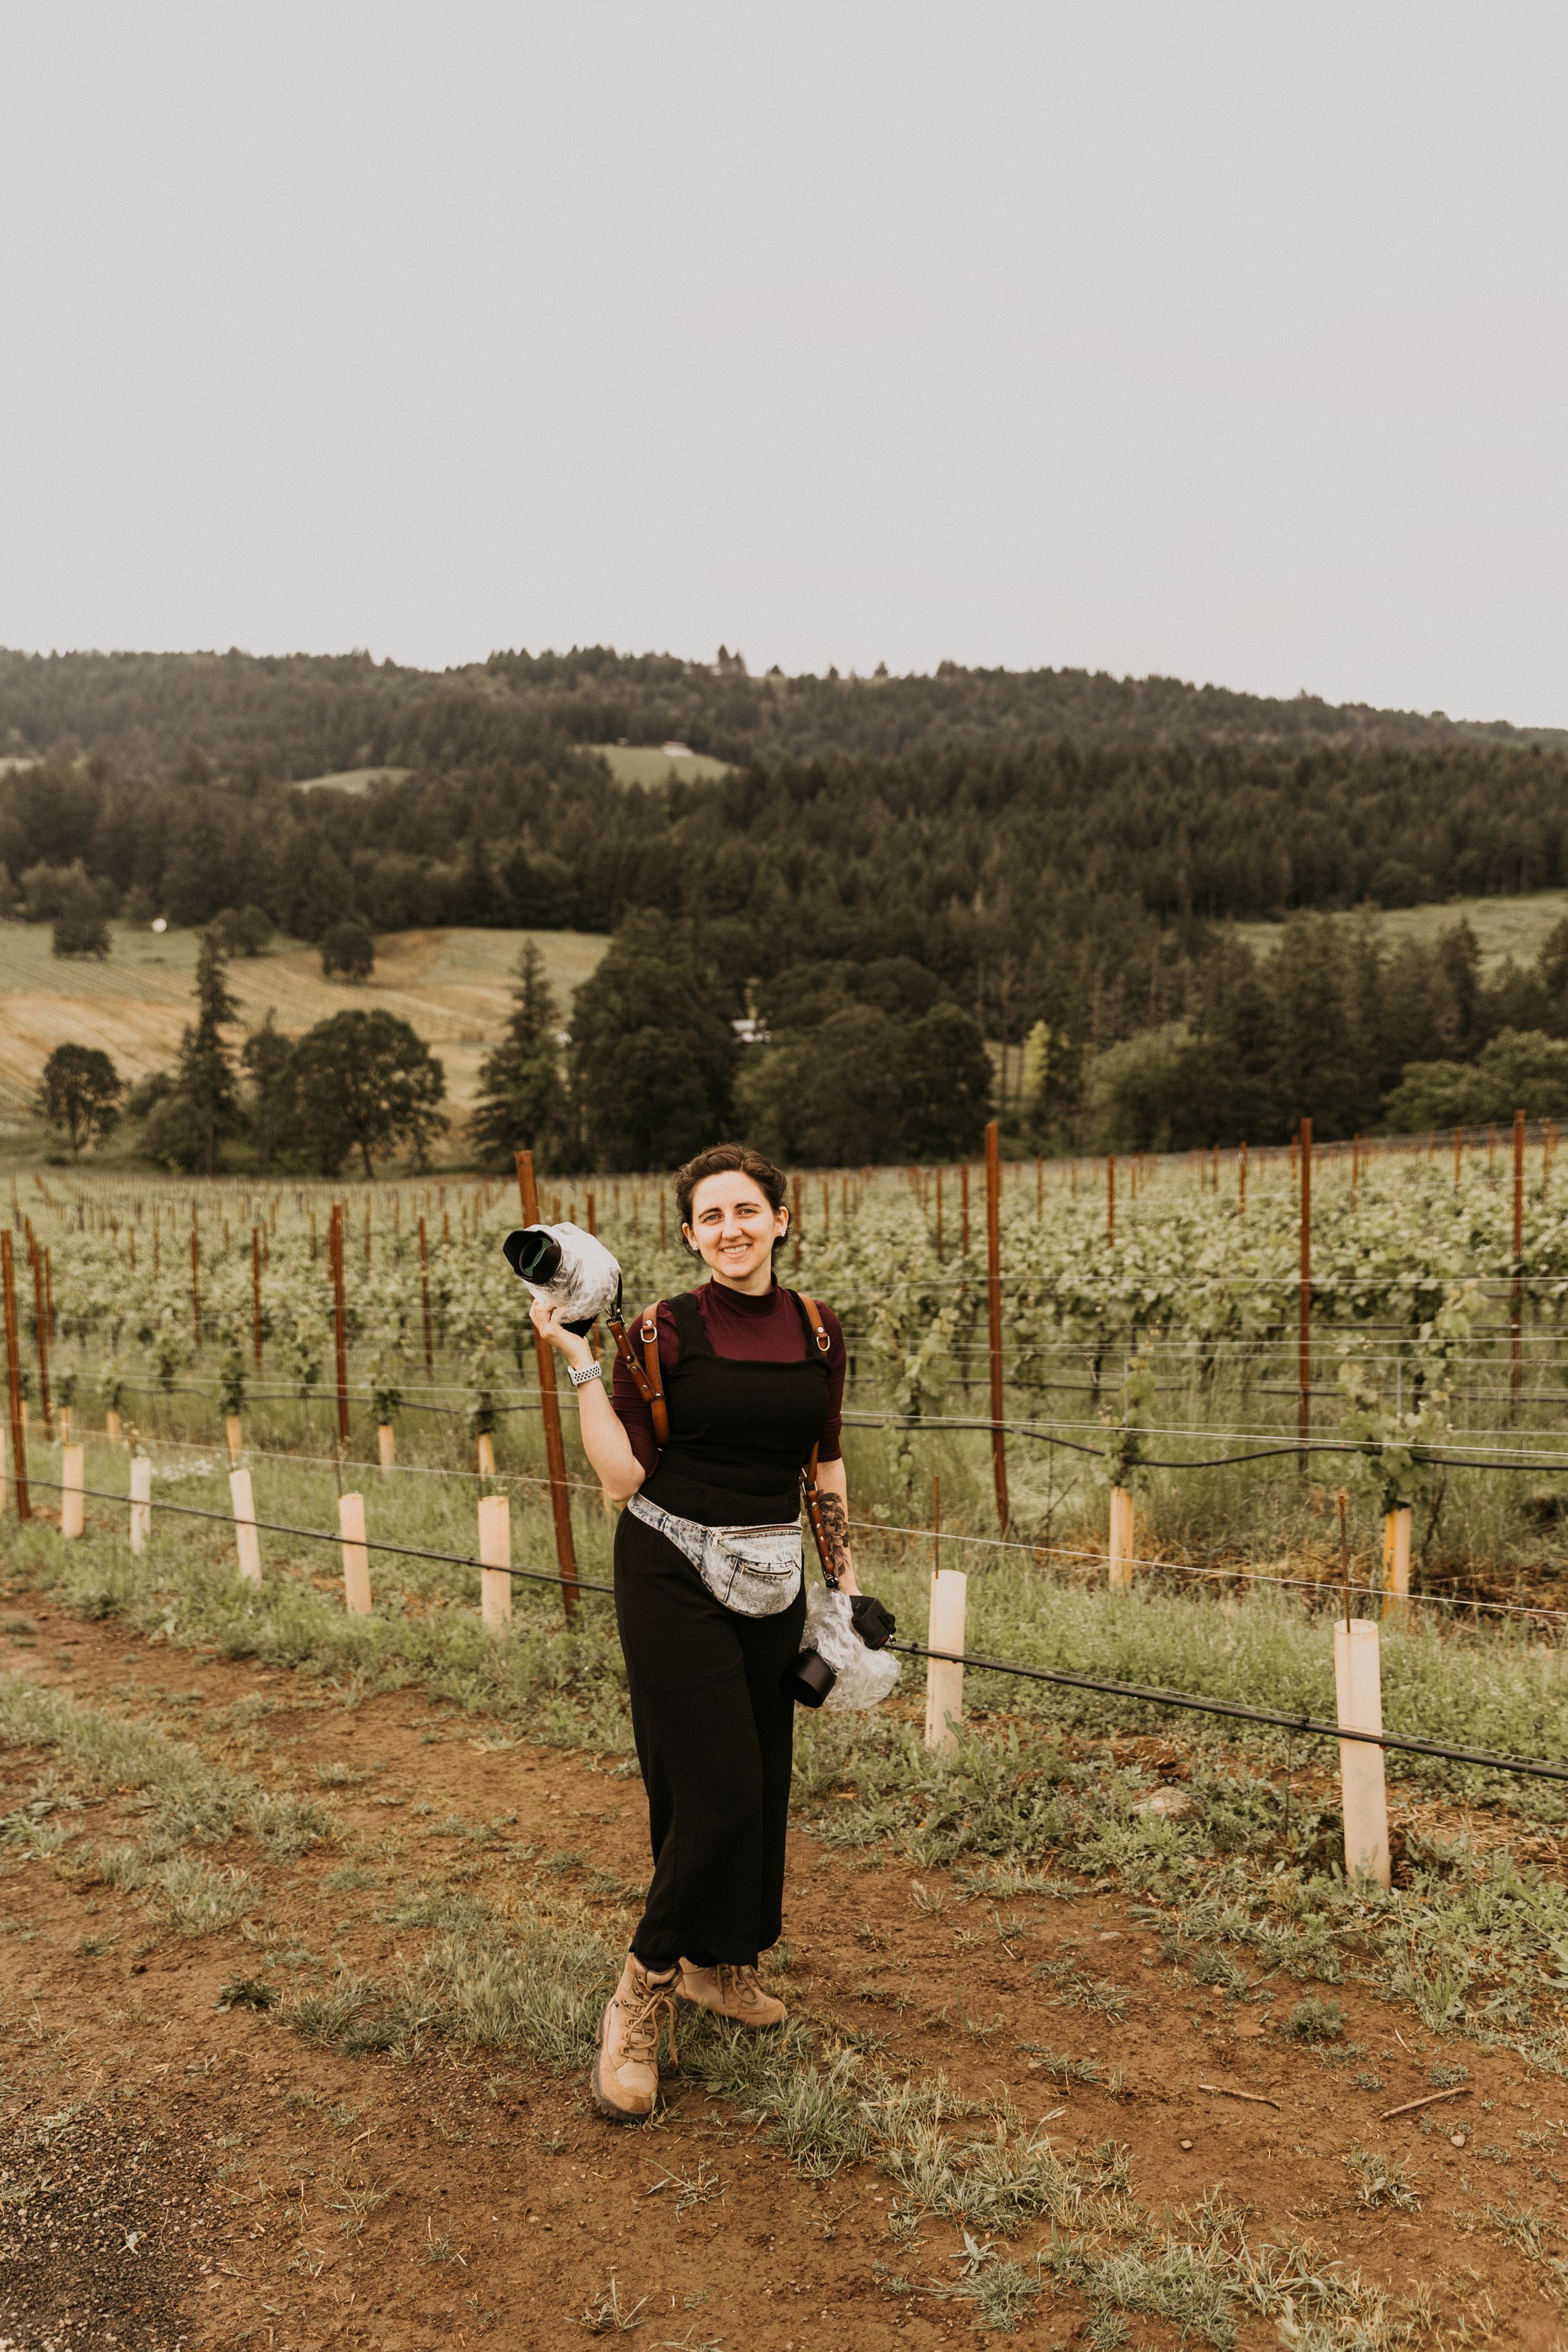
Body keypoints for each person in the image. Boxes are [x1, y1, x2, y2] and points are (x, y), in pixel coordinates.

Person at [527, 1142, 859, 2123]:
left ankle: (722, 1962)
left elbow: (823, 1467)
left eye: (746, 1209)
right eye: (711, 1216)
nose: (731, 1228)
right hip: (670, 1564)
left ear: (780, 1219)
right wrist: (581, 1361)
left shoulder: (819, 1329)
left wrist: (845, 1591)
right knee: (719, 1786)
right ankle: (640, 1992)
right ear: (689, 1235)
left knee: (764, 1774)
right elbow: (622, 1478)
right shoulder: (660, 1331)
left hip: (773, 1571)